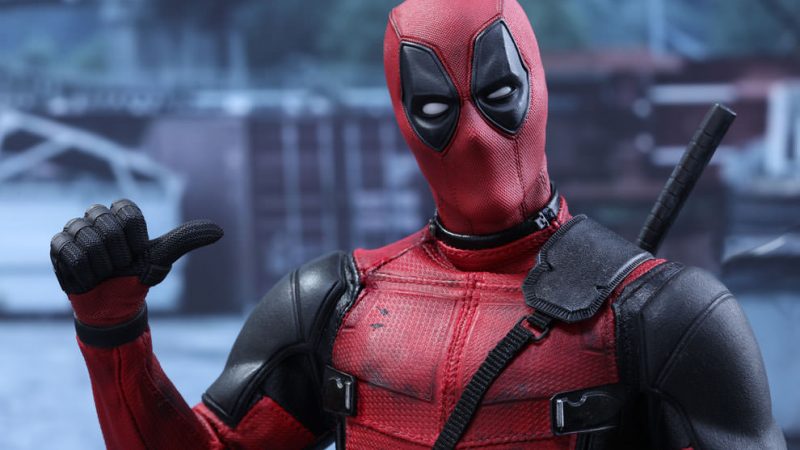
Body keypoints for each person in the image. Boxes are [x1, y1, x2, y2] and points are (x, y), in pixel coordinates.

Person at [50, 0, 786, 449]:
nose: (475, 135)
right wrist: (112, 330)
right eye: (436, 107)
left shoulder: (666, 318)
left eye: (497, 93)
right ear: (404, 116)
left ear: (536, 86)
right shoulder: (330, 304)